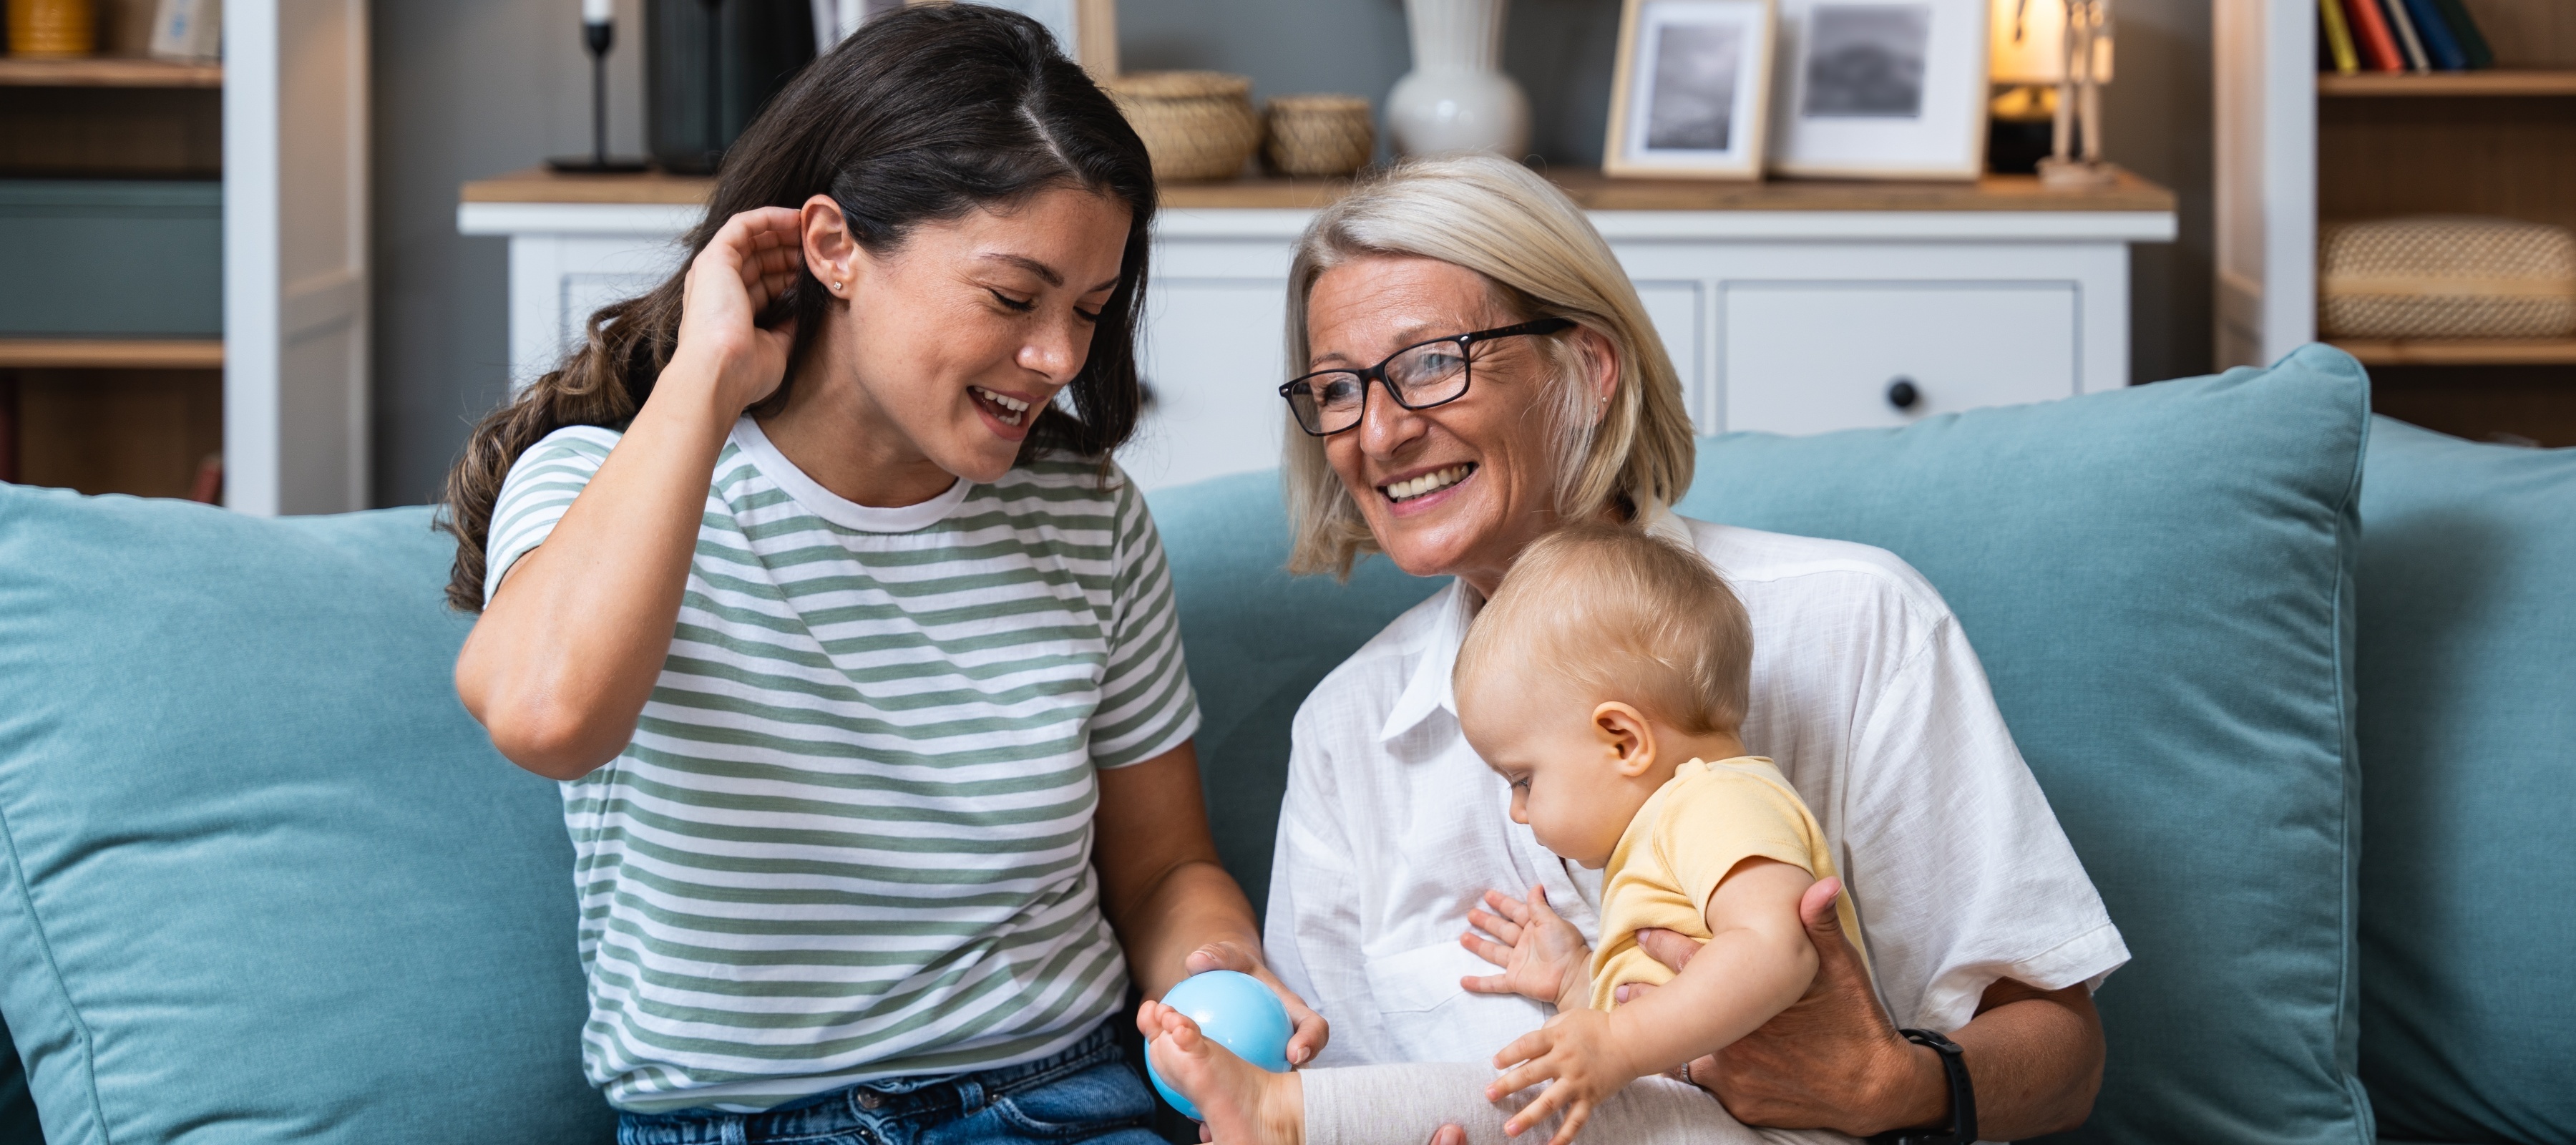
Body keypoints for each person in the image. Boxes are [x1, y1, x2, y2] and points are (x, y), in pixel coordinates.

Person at [439, 9, 1322, 1141]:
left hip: (1059, 1101)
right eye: (1013, 297)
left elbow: (1162, 869)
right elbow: (546, 717)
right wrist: (706, 374)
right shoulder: (607, 483)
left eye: (1090, 312)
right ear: (835, 246)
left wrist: (1215, 966)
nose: (1059, 358)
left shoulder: (1087, 519)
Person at [1156, 154, 2129, 1145]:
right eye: (1336, 391)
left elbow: (2064, 1057)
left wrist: (1891, 1086)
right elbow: (1340, 1095)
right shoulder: (1349, 736)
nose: (1379, 431)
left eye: (1430, 363)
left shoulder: (1856, 624)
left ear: (1587, 364)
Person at [1148, 522, 1874, 1145]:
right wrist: (1577, 980)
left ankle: (1284, 1113)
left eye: (1523, 779)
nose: (1519, 812)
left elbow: (1775, 951)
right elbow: (1668, 1001)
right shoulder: (1672, 830)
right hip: (1701, 1114)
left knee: (1521, 1088)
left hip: (1771, 1131)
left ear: (1622, 740)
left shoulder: (1723, 802)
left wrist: (1615, 1044)